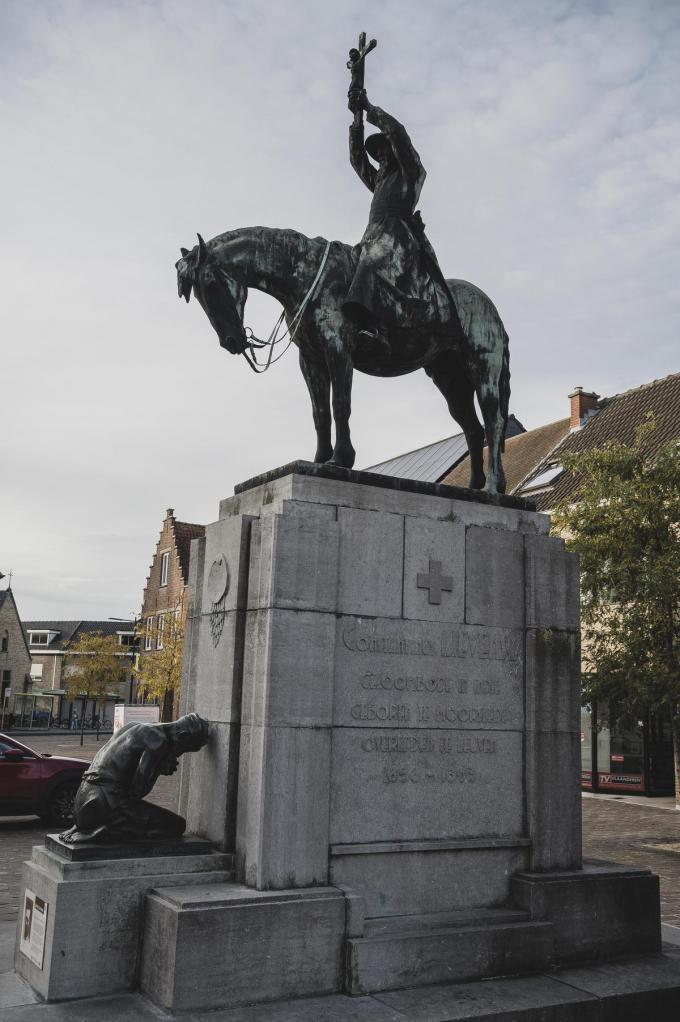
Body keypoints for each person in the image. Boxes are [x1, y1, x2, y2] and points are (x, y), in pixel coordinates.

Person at [343, 87, 461, 353]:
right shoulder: (380, 180)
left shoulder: (410, 171)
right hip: (373, 235)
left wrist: (370, 108)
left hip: (398, 237)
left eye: (385, 151)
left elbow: (398, 133)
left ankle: (377, 329)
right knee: (347, 267)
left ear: (395, 152)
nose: (381, 157)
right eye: (378, 154)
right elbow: (356, 160)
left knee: (371, 264)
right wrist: (356, 120)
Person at [60, 712, 209, 843]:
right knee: (176, 825)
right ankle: (109, 831)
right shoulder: (158, 742)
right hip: (105, 805)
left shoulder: (134, 726)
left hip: (83, 801)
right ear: (182, 737)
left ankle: (94, 827)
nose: (178, 755)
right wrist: (160, 768)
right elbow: (137, 792)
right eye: (184, 750)